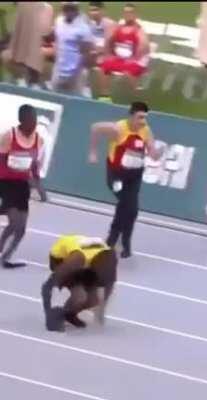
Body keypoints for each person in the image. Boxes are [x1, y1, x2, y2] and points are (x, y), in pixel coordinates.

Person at [88, 101, 164, 258]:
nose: (143, 121)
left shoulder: (146, 130)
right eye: (140, 117)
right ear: (131, 116)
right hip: (116, 175)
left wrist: (158, 153)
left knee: (132, 210)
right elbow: (95, 128)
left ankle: (123, 240)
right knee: (125, 204)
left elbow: (153, 153)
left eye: (145, 118)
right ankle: (113, 239)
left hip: (134, 176)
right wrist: (93, 152)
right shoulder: (118, 129)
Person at [41, 234, 118, 332]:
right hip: (61, 260)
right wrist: (48, 311)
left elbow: (108, 286)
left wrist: (101, 308)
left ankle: (69, 314)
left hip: (86, 263)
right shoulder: (77, 258)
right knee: (80, 296)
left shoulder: (109, 261)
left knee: (94, 300)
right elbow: (47, 287)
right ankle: (59, 316)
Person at [0, 104, 44, 268]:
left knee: (21, 229)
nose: (33, 125)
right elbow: (1, 163)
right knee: (14, 222)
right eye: (30, 121)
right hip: (6, 183)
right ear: (21, 121)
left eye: (35, 121)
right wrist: (13, 172)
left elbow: (34, 167)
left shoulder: (38, 139)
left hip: (22, 186)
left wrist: (40, 189)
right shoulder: (9, 136)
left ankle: (6, 256)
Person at [96, 3, 150, 100]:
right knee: (104, 66)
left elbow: (144, 47)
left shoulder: (138, 30)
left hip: (134, 61)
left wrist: (134, 58)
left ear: (135, 15)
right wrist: (109, 54)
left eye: (130, 12)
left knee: (128, 73)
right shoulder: (119, 28)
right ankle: (104, 96)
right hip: (119, 59)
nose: (127, 15)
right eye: (125, 12)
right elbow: (109, 42)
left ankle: (139, 99)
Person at [51, 2, 95, 95]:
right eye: (65, 8)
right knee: (55, 101)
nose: (67, 11)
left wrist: (74, 75)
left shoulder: (84, 28)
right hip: (58, 71)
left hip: (76, 74)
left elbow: (86, 54)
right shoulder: (58, 21)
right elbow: (58, 42)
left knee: (74, 104)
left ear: (76, 9)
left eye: (70, 8)